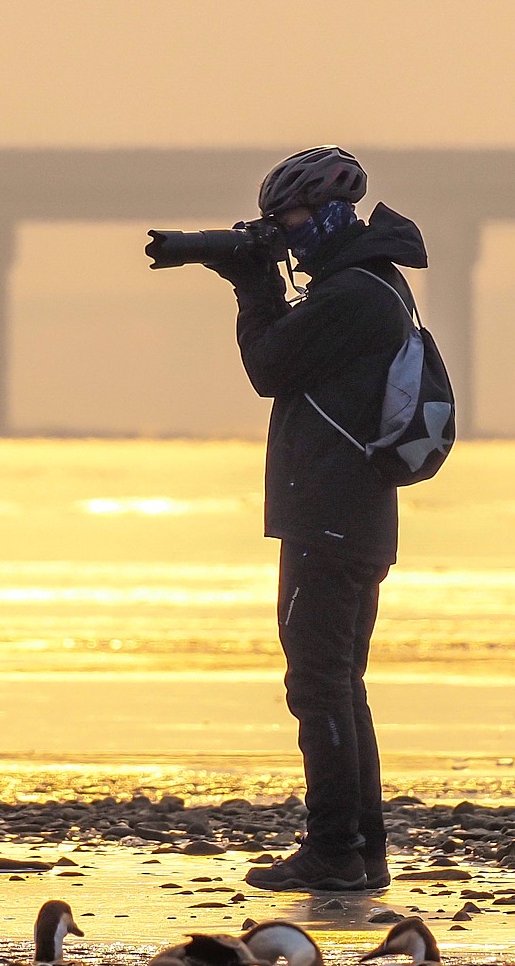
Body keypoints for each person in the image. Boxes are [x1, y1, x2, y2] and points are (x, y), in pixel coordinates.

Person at [205, 146, 431, 892]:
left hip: (331, 517)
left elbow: (268, 368)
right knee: (340, 684)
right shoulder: (372, 284)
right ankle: (361, 850)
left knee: (318, 686)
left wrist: (251, 286)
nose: (287, 234)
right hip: (352, 514)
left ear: (332, 213)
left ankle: (335, 850)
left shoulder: (352, 295)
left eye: (293, 219)